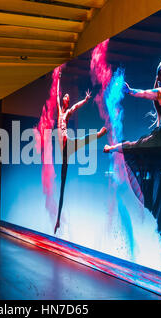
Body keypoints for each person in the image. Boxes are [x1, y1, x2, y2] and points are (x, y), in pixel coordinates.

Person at [103, 9, 161, 285]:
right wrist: (130, 92)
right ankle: (113, 148)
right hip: (158, 148)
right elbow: (144, 93)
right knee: (133, 146)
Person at [54, 71, 108, 234]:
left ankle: (98, 135)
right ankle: (57, 220)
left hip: (66, 145)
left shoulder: (68, 112)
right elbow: (56, 94)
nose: (66, 98)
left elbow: (76, 106)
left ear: (67, 101)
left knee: (81, 140)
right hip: (63, 148)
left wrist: (84, 100)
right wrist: (59, 78)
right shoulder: (60, 111)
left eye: (68, 97)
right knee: (62, 184)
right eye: (65, 97)